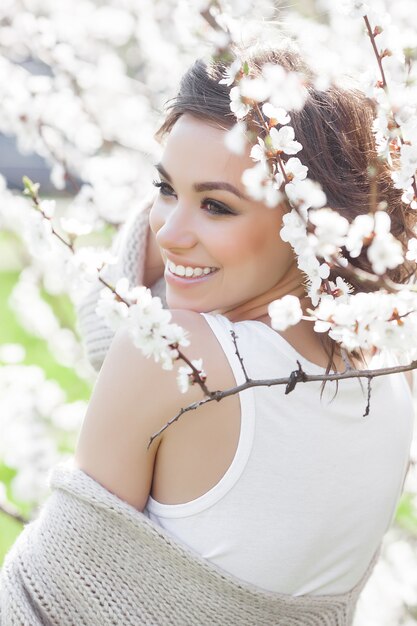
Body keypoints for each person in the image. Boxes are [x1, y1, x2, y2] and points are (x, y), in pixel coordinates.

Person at [0, 46, 415, 626]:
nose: (169, 233)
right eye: (165, 188)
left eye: (216, 206)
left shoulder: (172, 352)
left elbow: (39, 608)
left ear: (312, 228)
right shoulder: (391, 392)